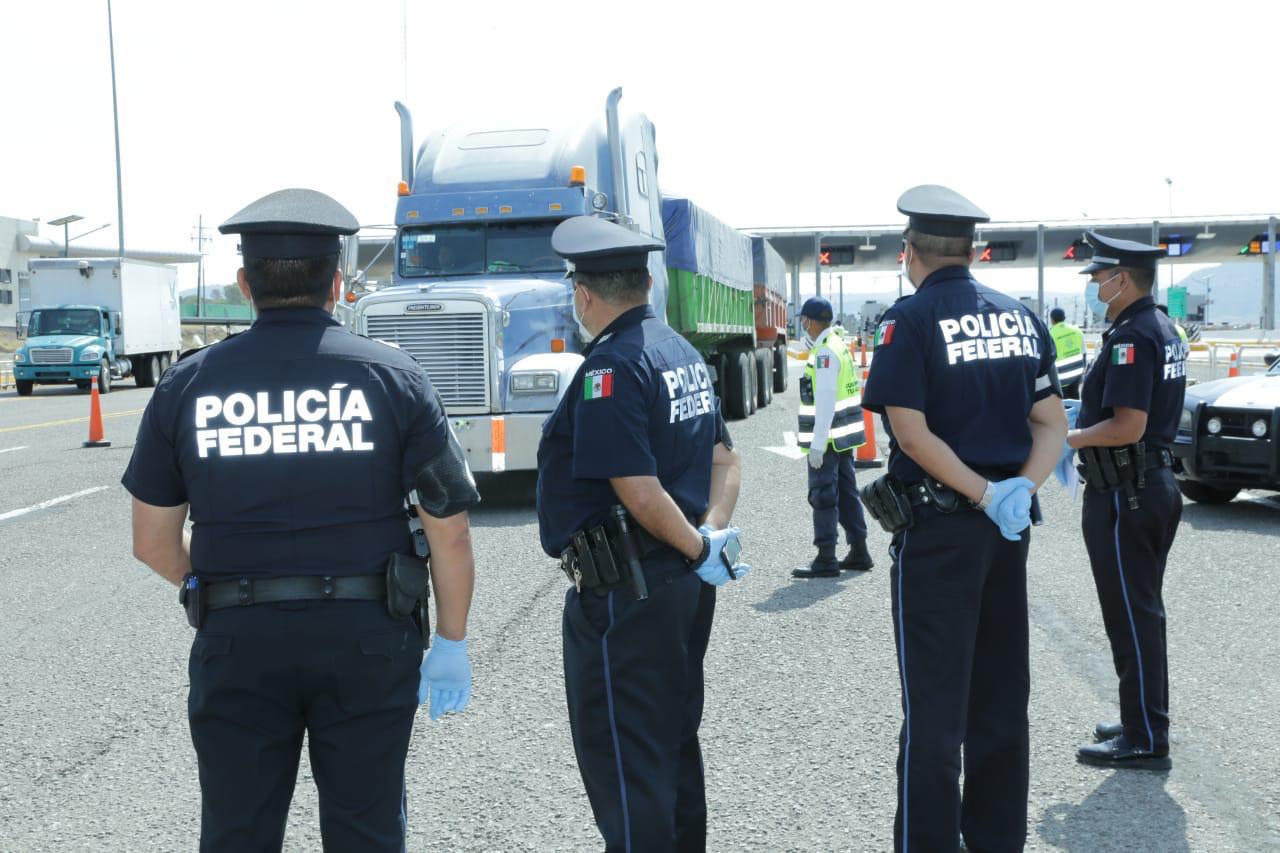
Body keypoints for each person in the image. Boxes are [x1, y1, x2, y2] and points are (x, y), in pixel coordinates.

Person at [123, 188, 481, 851]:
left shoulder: (187, 384)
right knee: (367, 829)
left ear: (242, 284)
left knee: (237, 831)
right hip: (368, 637)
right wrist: (452, 640)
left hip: (238, 638)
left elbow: (151, 540)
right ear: (338, 283)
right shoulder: (394, 378)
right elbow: (449, 528)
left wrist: (223, 584)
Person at [860, 185, 1066, 852]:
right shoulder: (1021, 318)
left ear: (909, 253)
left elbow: (912, 436)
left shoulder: (910, 320)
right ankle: (996, 840)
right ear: (975, 250)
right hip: (1008, 531)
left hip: (942, 531)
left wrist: (979, 491)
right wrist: (1015, 491)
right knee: (1002, 699)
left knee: (934, 712)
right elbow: (1051, 424)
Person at [536, 215, 746, 852]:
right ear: (649, 281)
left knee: (629, 765)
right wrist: (708, 538)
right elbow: (726, 462)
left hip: (627, 596)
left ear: (584, 294)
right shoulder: (679, 351)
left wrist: (692, 543)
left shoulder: (613, 368)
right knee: (674, 744)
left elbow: (637, 487)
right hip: (681, 584)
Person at [1065, 232, 1186, 771]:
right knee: (1142, 613)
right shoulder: (1160, 325)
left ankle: (1143, 737)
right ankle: (1142, 716)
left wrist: (1070, 438)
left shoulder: (1133, 336)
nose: (1095, 285)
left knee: (1131, 617)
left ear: (1123, 277)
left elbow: (1127, 426)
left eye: (1099, 277)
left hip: (1127, 495)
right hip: (1149, 488)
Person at [791, 296, 873, 578]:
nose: (803, 325)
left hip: (827, 440)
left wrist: (815, 444)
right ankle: (859, 551)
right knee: (847, 493)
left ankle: (826, 557)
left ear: (811, 322)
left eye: (804, 320)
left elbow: (825, 400)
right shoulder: (837, 344)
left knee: (823, 495)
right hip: (844, 437)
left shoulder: (825, 352)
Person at [1048, 306, 1086, 399]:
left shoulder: (1050, 333)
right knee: (1075, 398)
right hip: (1077, 372)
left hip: (1060, 375)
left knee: (1064, 403)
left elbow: (1048, 358)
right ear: (1064, 318)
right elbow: (1084, 352)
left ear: (1052, 319)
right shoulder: (1077, 330)